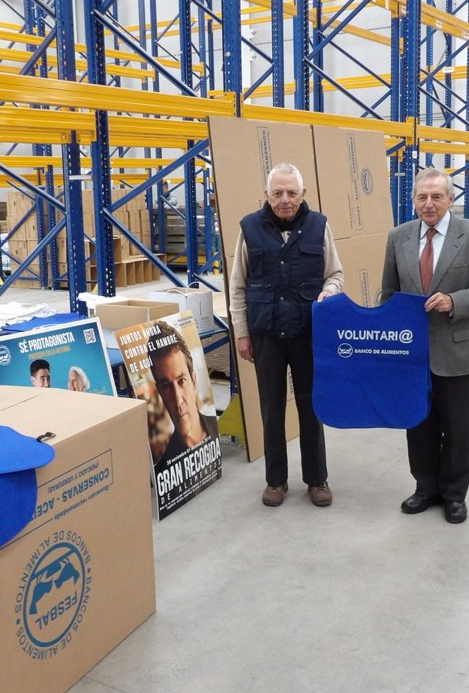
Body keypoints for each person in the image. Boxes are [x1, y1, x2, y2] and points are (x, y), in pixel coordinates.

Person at [379, 167, 469, 524]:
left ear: (450, 198)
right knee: (419, 425)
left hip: (457, 350)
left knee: (458, 427)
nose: (429, 203)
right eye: (422, 197)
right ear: (413, 201)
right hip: (412, 354)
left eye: (436, 197)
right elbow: (389, 292)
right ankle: (425, 487)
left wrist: (454, 301)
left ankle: (454, 495)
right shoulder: (398, 237)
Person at [228, 162, 343, 508]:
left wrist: (330, 292)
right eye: (277, 192)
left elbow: (335, 274)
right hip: (266, 336)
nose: (285, 199)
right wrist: (242, 333)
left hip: (308, 334)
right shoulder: (249, 228)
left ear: (303, 193)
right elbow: (237, 285)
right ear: (266, 194)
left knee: (311, 407)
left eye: (292, 192)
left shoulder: (319, 226)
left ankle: (317, 479)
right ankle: (276, 481)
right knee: (271, 408)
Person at [147, 320, 219, 470]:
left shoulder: (215, 431)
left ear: (193, 381)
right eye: (166, 386)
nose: (178, 400)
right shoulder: (163, 469)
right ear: (159, 391)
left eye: (182, 381)